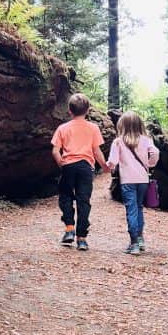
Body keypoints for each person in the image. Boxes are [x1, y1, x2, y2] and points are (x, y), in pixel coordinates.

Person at [51, 93, 109, 251]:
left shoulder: (63, 128)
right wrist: (104, 166)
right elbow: (96, 151)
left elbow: (56, 151)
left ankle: (69, 229)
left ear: (69, 111)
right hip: (85, 168)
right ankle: (82, 239)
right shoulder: (93, 128)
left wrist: (61, 163)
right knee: (84, 201)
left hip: (68, 166)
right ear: (88, 110)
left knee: (65, 197)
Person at [106, 111, 159, 255]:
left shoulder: (118, 141)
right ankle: (140, 238)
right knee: (139, 207)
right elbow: (155, 153)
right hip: (143, 179)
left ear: (122, 125)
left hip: (128, 181)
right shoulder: (146, 139)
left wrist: (108, 167)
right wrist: (150, 164)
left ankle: (134, 243)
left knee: (131, 209)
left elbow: (113, 162)